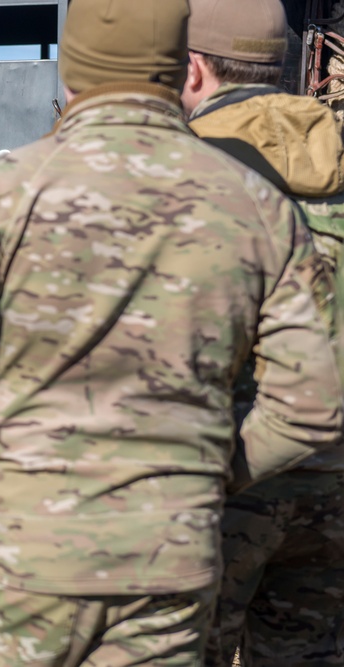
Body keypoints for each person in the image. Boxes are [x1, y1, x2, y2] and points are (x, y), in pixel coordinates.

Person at [0, 0, 344, 664]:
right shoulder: (256, 205)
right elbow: (313, 402)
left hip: (20, 543)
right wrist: (205, 473)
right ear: (179, 70)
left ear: (71, 74)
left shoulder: (2, 190)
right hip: (168, 559)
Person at [181, 1, 344, 664]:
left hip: (223, 475)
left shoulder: (179, 169)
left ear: (192, 70)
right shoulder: (334, 151)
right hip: (333, 482)